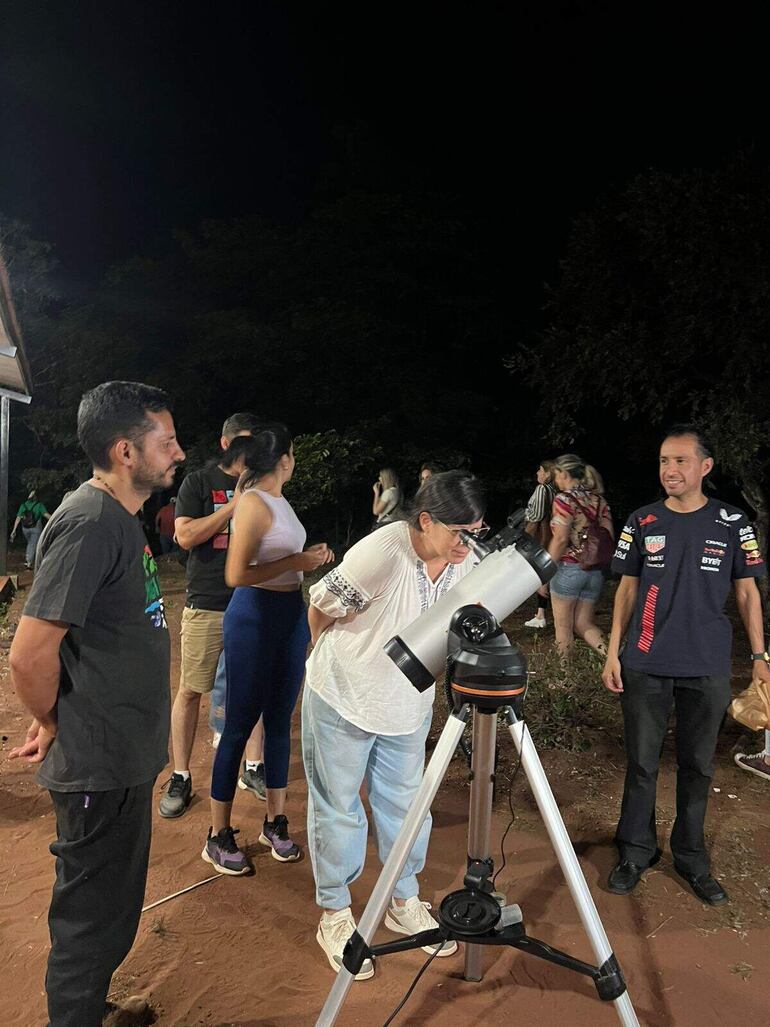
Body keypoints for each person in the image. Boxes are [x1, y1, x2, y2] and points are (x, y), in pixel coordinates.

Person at [8, 380, 185, 1027]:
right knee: (88, 917)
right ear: (125, 450)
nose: (179, 452)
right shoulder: (86, 519)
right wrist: (55, 719)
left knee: (111, 904)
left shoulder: (119, 518)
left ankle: (90, 1007)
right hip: (98, 760)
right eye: (166, 440)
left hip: (122, 755)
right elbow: (29, 652)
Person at [303, 470, 487, 980]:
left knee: (406, 804)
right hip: (344, 697)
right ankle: (335, 914)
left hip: (407, 705)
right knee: (338, 808)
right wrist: (331, 658)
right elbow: (320, 608)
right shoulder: (384, 551)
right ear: (425, 519)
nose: (467, 544)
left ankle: (402, 897)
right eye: (459, 533)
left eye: (476, 531)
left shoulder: (460, 555)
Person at [602, 425, 770, 905]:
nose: (669, 470)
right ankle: (635, 851)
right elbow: (627, 589)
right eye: (662, 461)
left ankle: (691, 857)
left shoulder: (733, 523)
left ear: (705, 467)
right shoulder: (642, 521)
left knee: (698, 765)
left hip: (707, 664)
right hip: (646, 661)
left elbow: (747, 592)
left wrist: (760, 657)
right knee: (642, 763)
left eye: (679, 461)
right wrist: (614, 651)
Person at [203, 424, 333, 874]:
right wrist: (296, 562)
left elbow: (283, 558)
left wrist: (309, 557)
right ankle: (217, 835)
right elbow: (235, 575)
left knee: (279, 722)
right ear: (284, 458)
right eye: (294, 454)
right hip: (254, 617)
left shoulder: (279, 499)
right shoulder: (255, 502)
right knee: (240, 725)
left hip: (288, 618)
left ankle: (275, 822)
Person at [159, 415, 265, 818]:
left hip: (251, 602)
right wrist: (234, 505)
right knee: (191, 689)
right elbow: (185, 536)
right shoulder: (199, 483)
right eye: (241, 441)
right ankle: (181, 775)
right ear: (225, 442)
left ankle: (252, 767)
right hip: (207, 603)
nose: (248, 449)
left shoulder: (264, 485)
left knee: (252, 688)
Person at [548, 454, 613, 657]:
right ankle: (616, 659)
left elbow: (560, 539)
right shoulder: (599, 500)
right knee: (583, 623)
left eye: (556, 475)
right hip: (595, 570)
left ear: (564, 473)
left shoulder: (564, 500)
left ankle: (565, 679)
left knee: (564, 627)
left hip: (569, 568)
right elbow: (609, 534)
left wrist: (545, 571)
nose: (555, 480)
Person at [523, 460, 557, 629]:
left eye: (540, 470)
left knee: (539, 573)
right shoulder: (554, 490)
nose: (537, 473)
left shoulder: (541, 489)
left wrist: (526, 534)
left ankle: (541, 615)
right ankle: (541, 614)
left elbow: (535, 516)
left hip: (541, 537)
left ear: (547, 473)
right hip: (552, 535)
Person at [10, 489, 52, 568]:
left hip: (25, 528)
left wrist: (14, 530)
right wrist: (55, 518)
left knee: (31, 543)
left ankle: (30, 558)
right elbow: (46, 515)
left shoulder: (23, 505)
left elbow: (18, 518)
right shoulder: (39, 505)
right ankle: (29, 562)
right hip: (36, 527)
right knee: (32, 544)